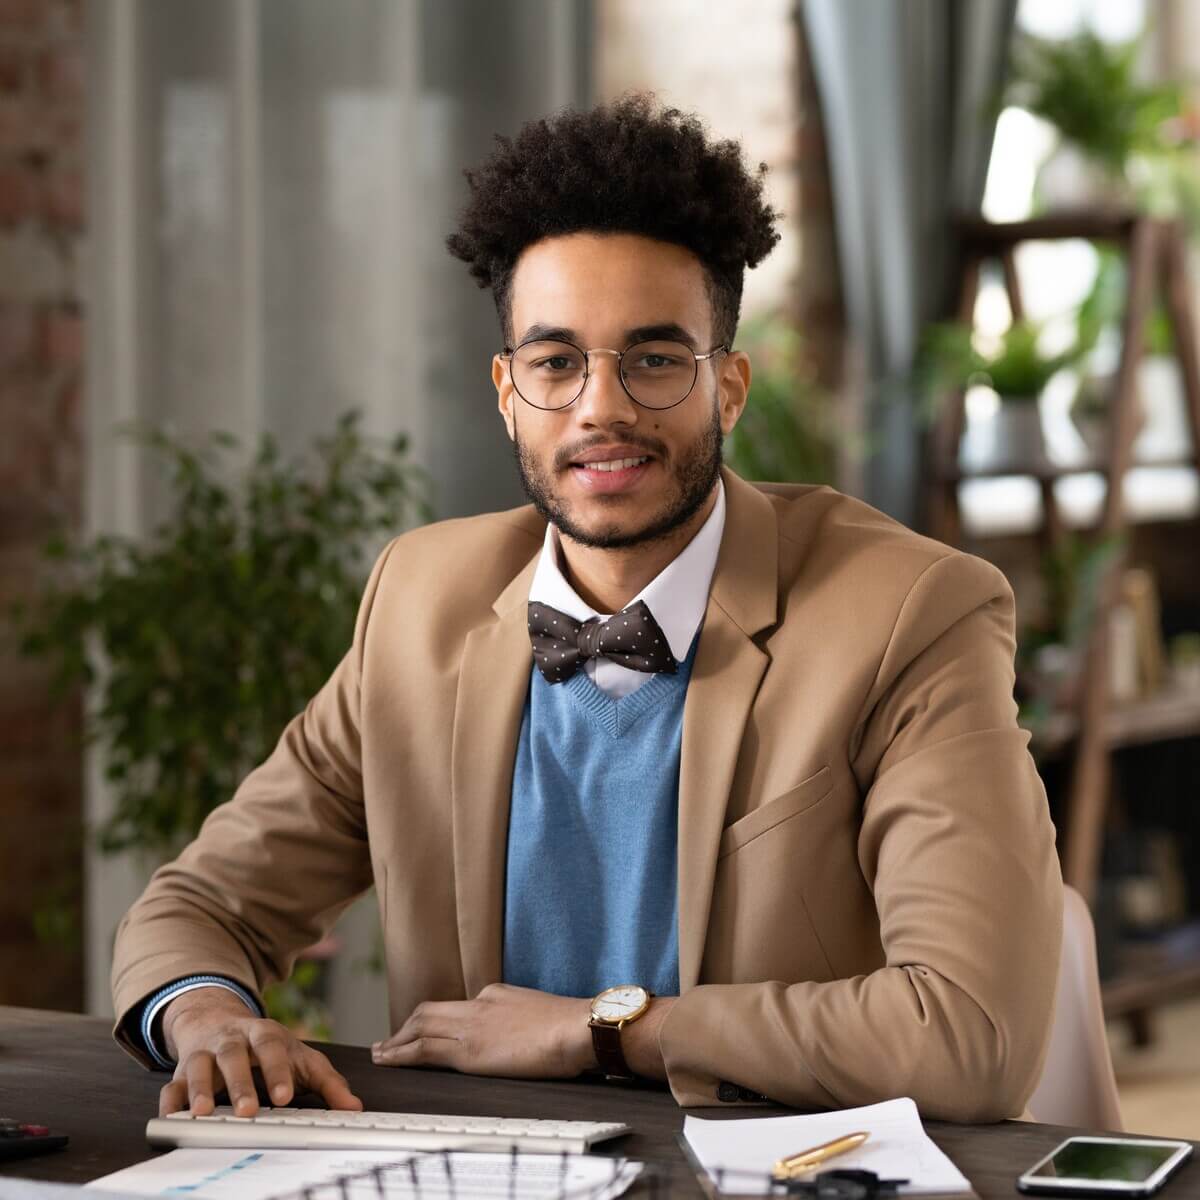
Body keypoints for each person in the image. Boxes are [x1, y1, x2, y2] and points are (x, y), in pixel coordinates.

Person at [111, 95, 1062, 1123]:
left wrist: (607, 1029)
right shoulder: (420, 606)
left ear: (730, 387)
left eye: (653, 360)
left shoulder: (911, 616)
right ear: (508, 390)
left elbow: (972, 1036)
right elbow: (202, 904)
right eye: (556, 362)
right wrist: (208, 1016)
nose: (600, 407)